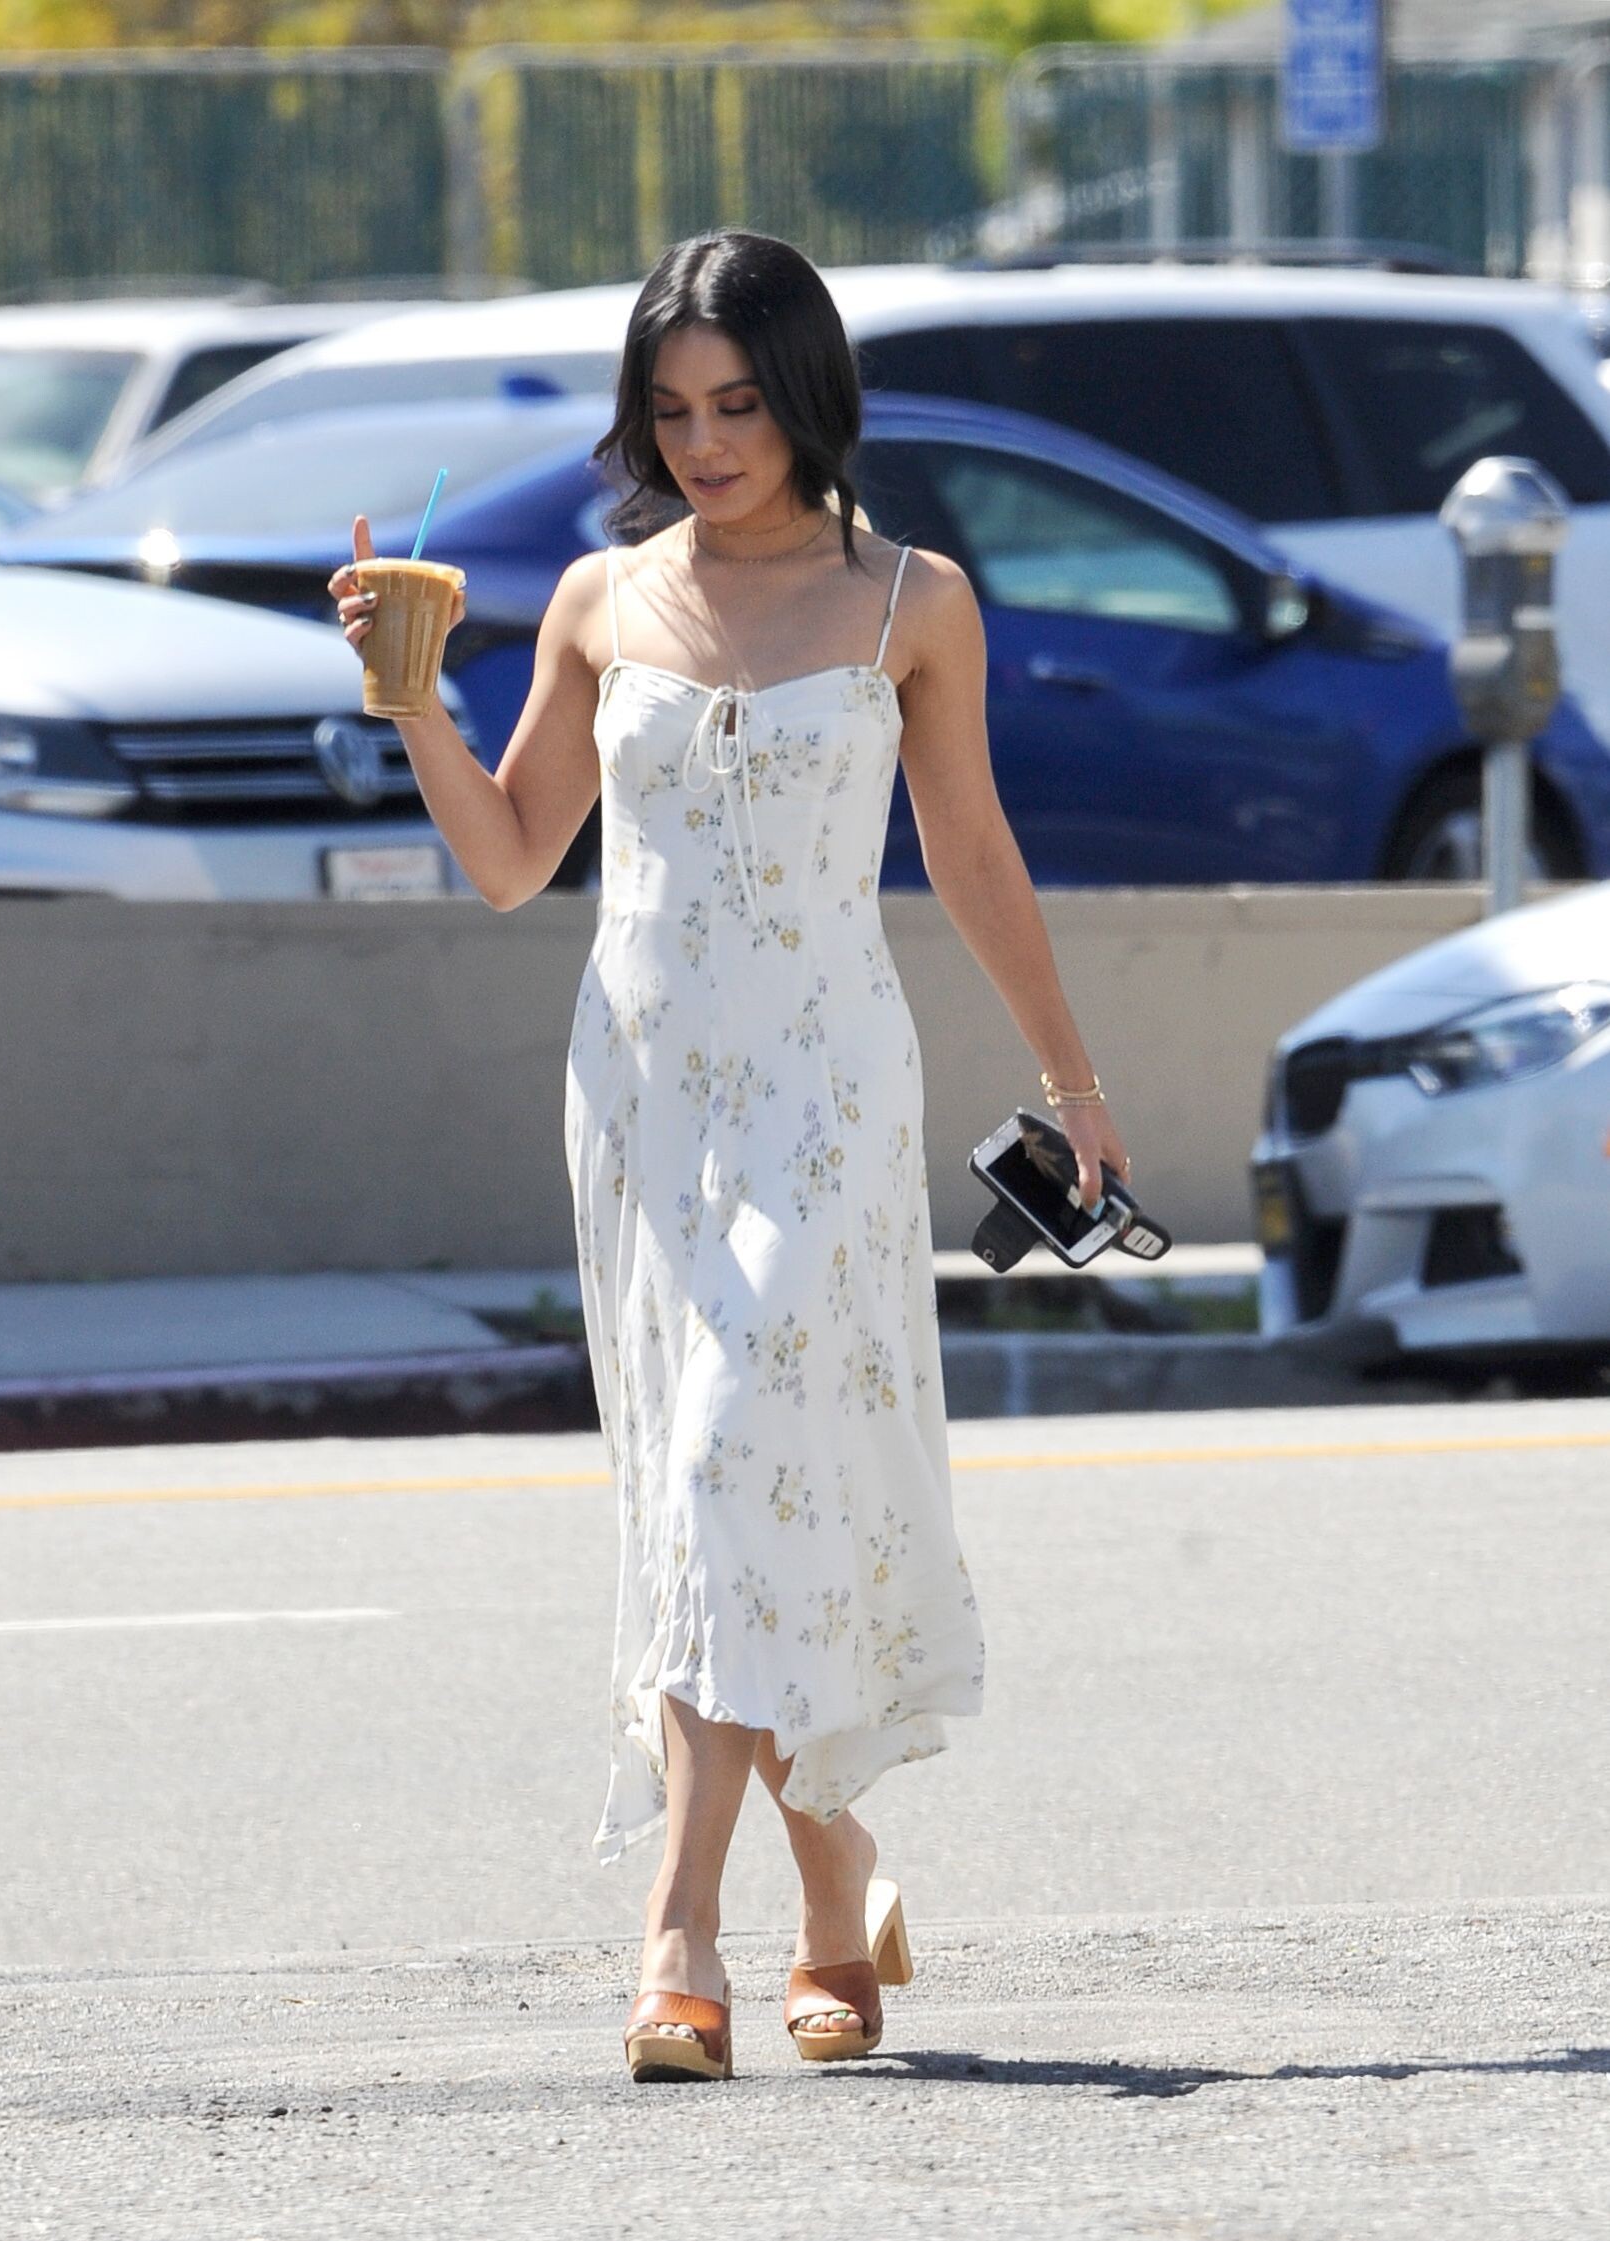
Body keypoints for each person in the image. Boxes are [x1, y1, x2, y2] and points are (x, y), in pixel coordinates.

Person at [331, 229, 1129, 2083]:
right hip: (644, 1097)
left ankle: (675, 1926)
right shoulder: (601, 601)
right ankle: (837, 1889)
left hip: (828, 1093)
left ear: (807, 395)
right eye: (674, 410)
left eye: (741, 404)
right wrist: (410, 695)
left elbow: (973, 848)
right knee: (728, 1495)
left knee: (728, 1452)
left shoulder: (913, 598)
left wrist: (1073, 1081)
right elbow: (512, 858)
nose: (705, 443)